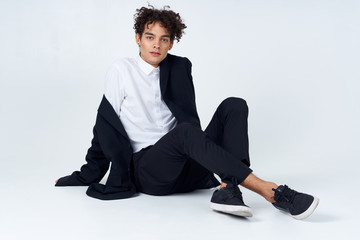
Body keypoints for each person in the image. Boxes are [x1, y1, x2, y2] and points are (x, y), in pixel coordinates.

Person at [55, 5, 319, 220]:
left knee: (234, 104)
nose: (156, 45)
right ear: (138, 38)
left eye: (164, 39)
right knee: (184, 134)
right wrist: (84, 175)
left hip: (187, 168)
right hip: (150, 171)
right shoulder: (121, 70)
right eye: (150, 37)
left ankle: (229, 187)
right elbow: (104, 127)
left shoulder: (179, 68)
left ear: (171, 43)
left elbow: (189, 122)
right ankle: (270, 191)